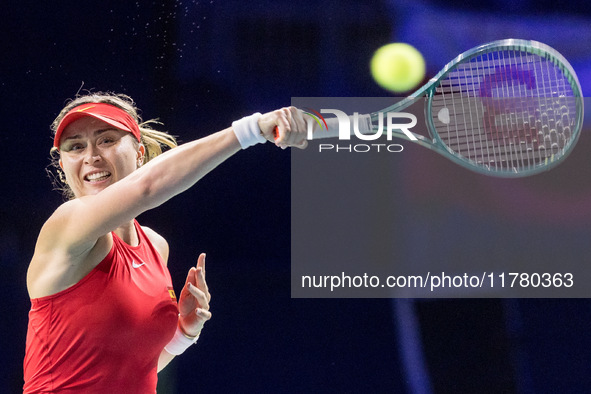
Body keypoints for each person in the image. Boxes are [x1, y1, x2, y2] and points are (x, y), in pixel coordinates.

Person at [23, 92, 309, 393]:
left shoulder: (155, 246)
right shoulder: (65, 225)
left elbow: (134, 365)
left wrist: (184, 332)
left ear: (139, 153)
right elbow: (147, 187)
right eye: (76, 147)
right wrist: (254, 130)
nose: (91, 156)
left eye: (106, 140)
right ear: (63, 166)